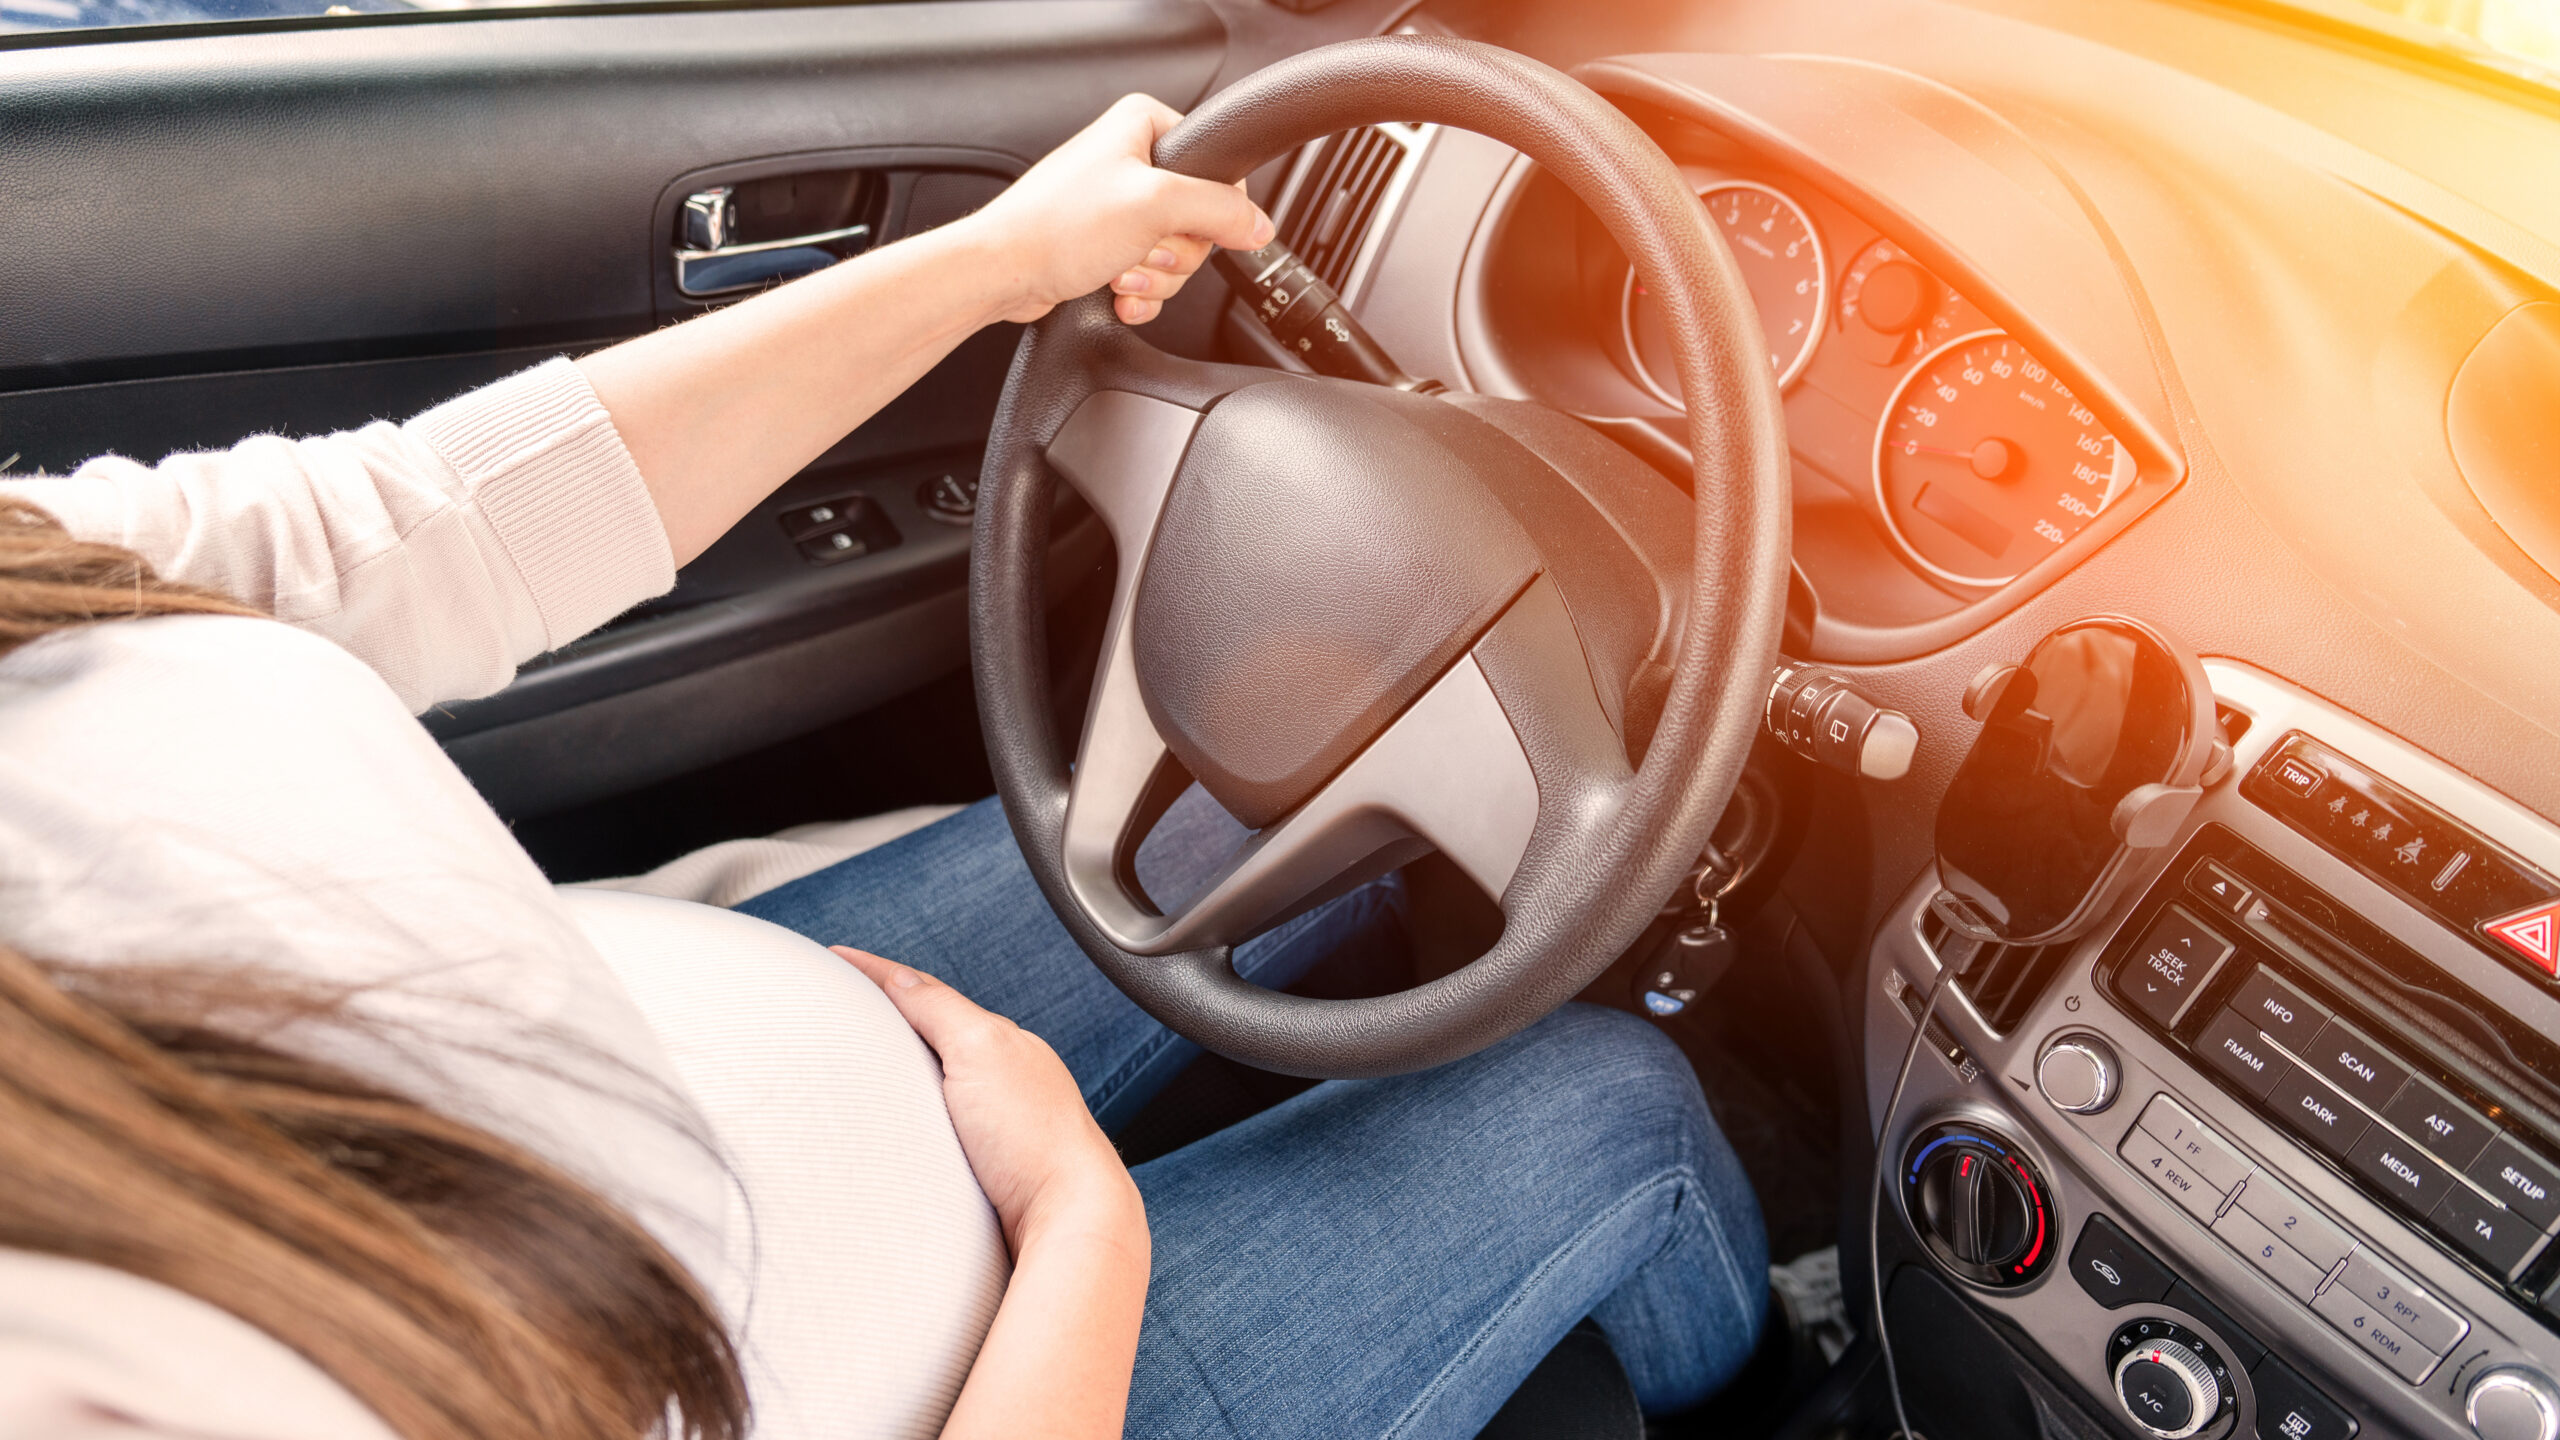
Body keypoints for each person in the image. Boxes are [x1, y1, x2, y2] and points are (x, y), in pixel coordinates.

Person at [0, 95, 1769, 1440]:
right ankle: (1787, 1361)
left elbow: (380, 538)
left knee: (1276, 793)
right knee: (1609, 1103)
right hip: (982, 1375)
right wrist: (1081, 1228)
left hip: (764, 1043)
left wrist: (1007, 260)